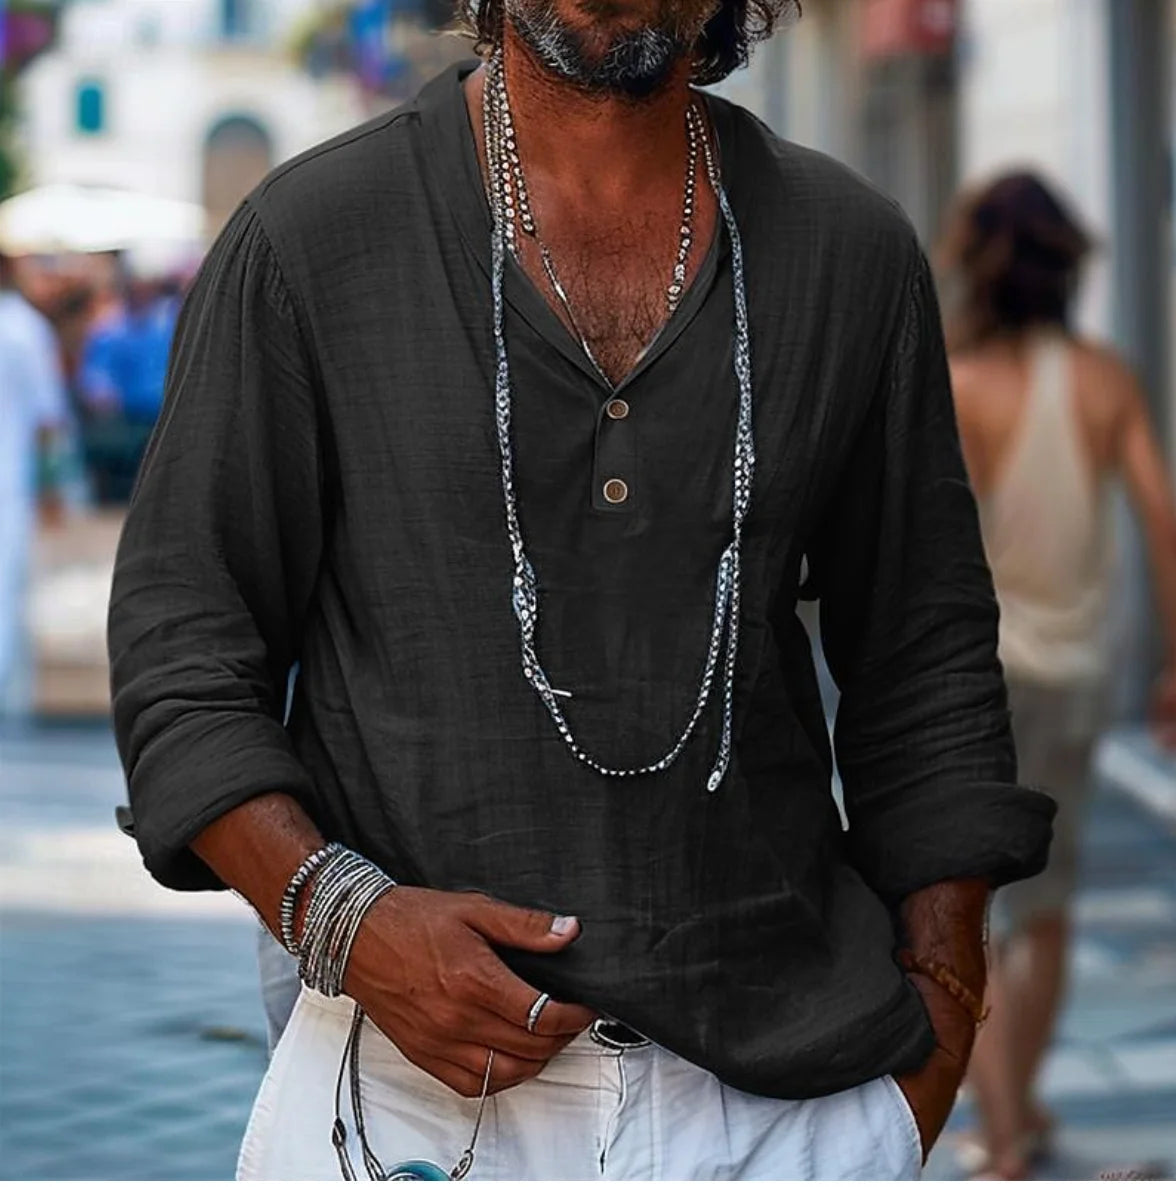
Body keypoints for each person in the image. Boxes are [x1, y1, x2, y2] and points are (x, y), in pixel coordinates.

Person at [106, 0, 1056, 1177]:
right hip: (408, 1106)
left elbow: (926, 658)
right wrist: (348, 920)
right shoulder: (312, 241)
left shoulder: (846, 250)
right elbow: (181, 651)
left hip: (789, 1103)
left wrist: (937, 1034)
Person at [937, 172, 1176, 1179]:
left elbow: (932, 554)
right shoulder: (1105, 378)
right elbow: (1163, 524)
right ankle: (1019, 1106)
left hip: (992, 681)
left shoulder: (965, 386)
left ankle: (1002, 1136)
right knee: (1053, 900)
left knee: (980, 906)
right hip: (1083, 677)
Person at [0, 251, 70, 719]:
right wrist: (52, 484)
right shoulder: (26, 329)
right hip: (11, 480)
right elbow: (49, 419)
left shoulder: (24, 328)